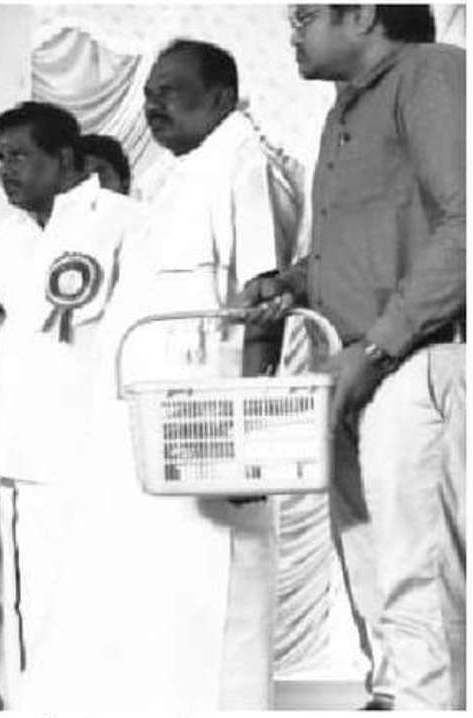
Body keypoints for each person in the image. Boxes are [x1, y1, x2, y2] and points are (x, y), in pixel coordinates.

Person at [20, 40, 304, 710]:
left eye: (169, 91)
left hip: (209, 435)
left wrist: (246, 444)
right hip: (146, 436)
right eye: (148, 93)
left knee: (214, 600)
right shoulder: (176, 176)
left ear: (221, 97)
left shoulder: (245, 163)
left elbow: (264, 299)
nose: (152, 105)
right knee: (154, 605)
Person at [240, 5, 464, 709]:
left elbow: (467, 225)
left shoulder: (431, 74)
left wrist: (378, 344)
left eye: (305, 14)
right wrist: (291, 283)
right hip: (356, 368)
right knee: (371, 569)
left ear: (364, 14)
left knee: (417, 574)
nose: (292, 30)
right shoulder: (343, 110)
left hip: (418, 358)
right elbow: (369, 248)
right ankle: (395, 698)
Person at [0, 101, 146, 709]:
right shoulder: (6, 237)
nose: (6, 169)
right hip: (24, 448)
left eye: (20, 155)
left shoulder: (124, 221)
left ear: (65, 157)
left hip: (103, 448)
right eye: (1, 157)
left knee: (107, 593)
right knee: (33, 598)